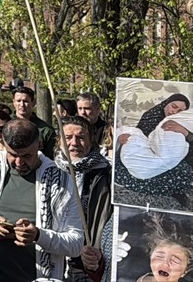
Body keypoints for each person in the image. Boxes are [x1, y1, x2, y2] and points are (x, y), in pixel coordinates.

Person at [0, 118, 83, 281]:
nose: (19, 162)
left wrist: (38, 235)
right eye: (13, 154)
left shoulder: (61, 181)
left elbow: (76, 244)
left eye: (27, 155)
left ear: (39, 145)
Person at [114, 94, 193, 199]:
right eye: (174, 106)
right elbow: (139, 137)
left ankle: (170, 190)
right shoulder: (151, 116)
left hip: (174, 158)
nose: (175, 112)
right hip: (148, 154)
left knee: (185, 173)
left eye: (181, 111)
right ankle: (166, 189)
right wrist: (123, 138)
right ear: (166, 104)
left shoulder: (183, 120)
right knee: (127, 170)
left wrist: (184, 131)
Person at [56, 116, 112, 282]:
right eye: (68, 138)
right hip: (55, 257)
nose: (74, 143)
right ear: (59, 140)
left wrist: (97, 251)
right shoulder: (49, 172)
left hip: (89, 260)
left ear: (91, 140)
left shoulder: (106, 173)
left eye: (81, 137)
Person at [12, 86, 57, 155]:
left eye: (25, 101)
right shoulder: (5, 124)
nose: (22, 105)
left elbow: (50, 158)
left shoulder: (46, 130)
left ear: (33, 102)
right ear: (13, 102)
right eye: (18, 101)